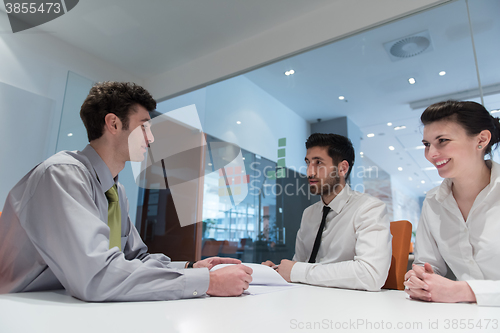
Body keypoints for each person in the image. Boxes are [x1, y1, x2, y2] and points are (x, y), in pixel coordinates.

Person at [0, 81, 252, 301]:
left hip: (68, 304)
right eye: (144, 126)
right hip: (21, 308)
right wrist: (209, 283)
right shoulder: (62, 175)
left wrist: (191, 267)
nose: (151, 138)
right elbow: (97, 277)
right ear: (113, 123)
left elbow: (135, 259)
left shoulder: (115, 190)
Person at [263, 133, 392, 291]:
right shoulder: (309, 214)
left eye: (318, 163)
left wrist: (296, 271)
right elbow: (299, 266)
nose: (310, 172)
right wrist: (277, 271)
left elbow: (371, 275)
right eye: (308, 163)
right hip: (307, 301)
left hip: (349, 307)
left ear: (342, 168)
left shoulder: (369, 208)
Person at [405, 100, 500, 307]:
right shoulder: (433, 202)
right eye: (427, 144)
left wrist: (464, 291)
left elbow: (459, 290)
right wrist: (420, 278)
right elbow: (428, 266)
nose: (431, 154)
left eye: (443, 140)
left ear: (481, 140)